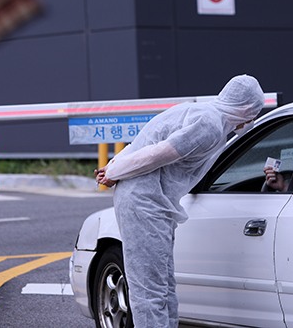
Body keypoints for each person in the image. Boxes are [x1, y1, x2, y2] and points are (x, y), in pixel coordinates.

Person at [95, 75, 265, 328]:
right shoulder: (209, 126)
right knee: (149, 289)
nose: (252, 121)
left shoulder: (195, 111)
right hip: (145, 202)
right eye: (255, 113)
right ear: (247, 109)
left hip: (151, 201)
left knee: (161, 283)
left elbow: (142, 142)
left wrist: (113, 166)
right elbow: (156, 154)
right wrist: (112, 172)